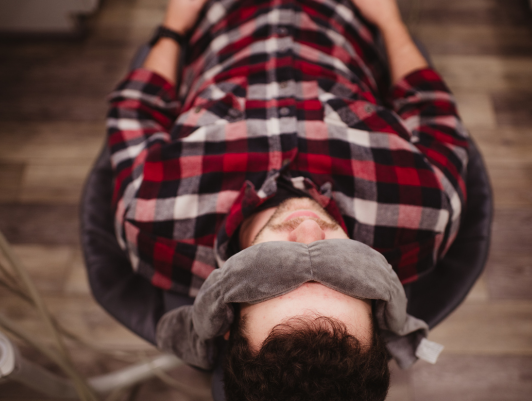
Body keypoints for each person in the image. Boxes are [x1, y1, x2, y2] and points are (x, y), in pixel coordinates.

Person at [106, 0, 469, 399]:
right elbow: (431, 109)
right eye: (344, 274)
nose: (311, 228)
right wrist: (388, 19)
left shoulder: (150, 212)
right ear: (375, 301)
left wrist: (175, 24)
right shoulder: (424, 213)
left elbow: (136, 110)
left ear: (228, 316)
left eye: (274, 272)